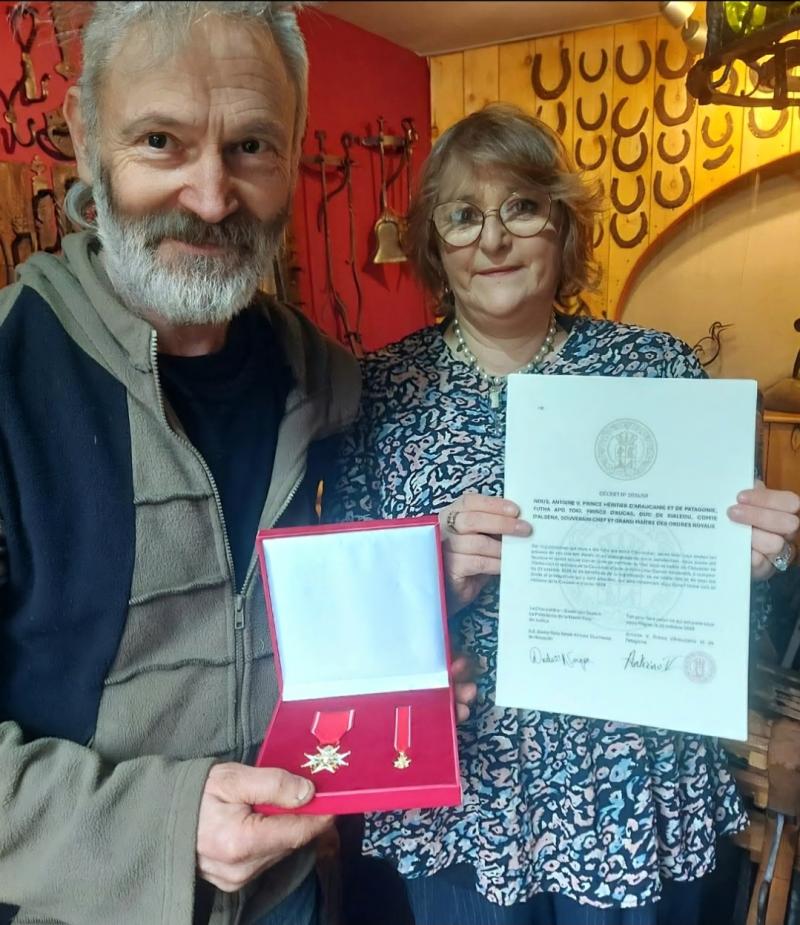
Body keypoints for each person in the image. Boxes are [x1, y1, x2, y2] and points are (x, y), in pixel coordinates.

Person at [0, 4, 478, 924]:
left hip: (290, 896)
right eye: (161, 141)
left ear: (291, 157)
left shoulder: (328, 381)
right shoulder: (8, 382)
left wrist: (404, 652)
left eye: (250, 146)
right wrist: (166, 826)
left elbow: (306, 622)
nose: (213, 197)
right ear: (86, 139)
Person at [326, 103, 800, 925]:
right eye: (463, 215)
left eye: (521, 207)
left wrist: (756, 564)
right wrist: (426, 577)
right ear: (435, 243)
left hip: (627, 780)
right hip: (465, 792)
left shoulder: (655, 370)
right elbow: (343, 603)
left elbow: (737, 620)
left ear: (564, 224)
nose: (493, 239)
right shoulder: (378, 390)